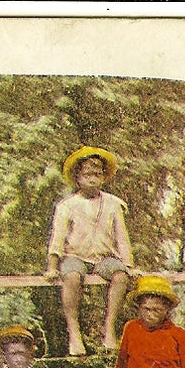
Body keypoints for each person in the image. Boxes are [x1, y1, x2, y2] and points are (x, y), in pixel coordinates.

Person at [45, 146, 135, 356]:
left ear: (103, 177)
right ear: (78, 178)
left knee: (121, 276)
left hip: (103, 257)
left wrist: (128, 264)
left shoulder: (113, 204)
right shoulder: (67, 205)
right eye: (87, 175)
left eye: (97, 174)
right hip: (75, 256)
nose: (92, 179)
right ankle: (74, 332)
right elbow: (57, 238)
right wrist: (52, 267)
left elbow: (122, 237)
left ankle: (109, 330)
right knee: (72, 277)